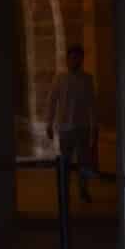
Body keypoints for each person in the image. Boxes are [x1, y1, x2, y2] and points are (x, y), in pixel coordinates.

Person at [46, 43, 97, 203]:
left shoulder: (87, 79)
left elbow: (92, 104)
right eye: (72, 58)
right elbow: (52, 101)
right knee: (65, 161)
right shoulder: (60, 79)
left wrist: (94, 126)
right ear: (67, 59)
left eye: (77, 58)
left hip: (82, 126)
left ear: (81, 60)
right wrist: (49, 123)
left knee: (83, 161)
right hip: (65, 127)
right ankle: (64, 191)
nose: (74, 61)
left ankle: (83, 190)